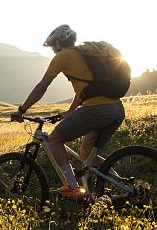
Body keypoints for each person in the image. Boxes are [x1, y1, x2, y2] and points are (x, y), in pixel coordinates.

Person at [10, 24, 126, 198]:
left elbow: (42, 86)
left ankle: (73, 187)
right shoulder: (84, 55)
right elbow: (83, 92)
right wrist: (71, 111)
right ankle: (123, 186)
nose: (53, 51)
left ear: (58, 43)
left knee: (55, 139)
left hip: (96, 109)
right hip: (116, 109)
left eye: (52, 46)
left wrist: (22, 109)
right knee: (86, 153)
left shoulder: (63, 56)